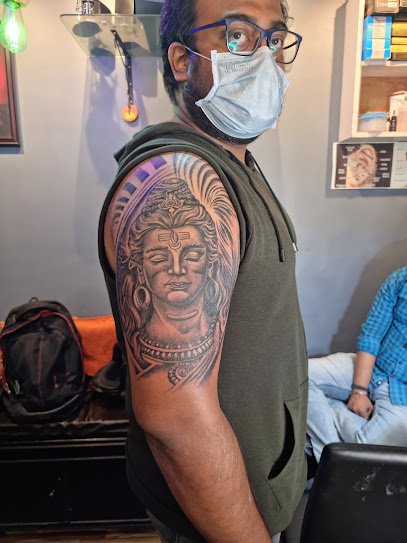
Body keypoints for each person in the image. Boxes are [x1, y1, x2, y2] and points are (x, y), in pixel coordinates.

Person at [98, 1, 308, 541]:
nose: (263, 57)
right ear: (182, 60)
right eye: (237, 35)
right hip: (221, 520)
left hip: (259, 486)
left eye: (274, 39)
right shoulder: (177, 179)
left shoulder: (233, 161)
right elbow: (176, 422)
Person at [307, 266, 407, 463]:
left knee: (366, 453)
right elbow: (371, 335)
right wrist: (359, 392)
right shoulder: (400, 279)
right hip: (372, 367)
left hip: (402, 395)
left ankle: (332, 414)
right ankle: (331, 465)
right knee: (298, 376)